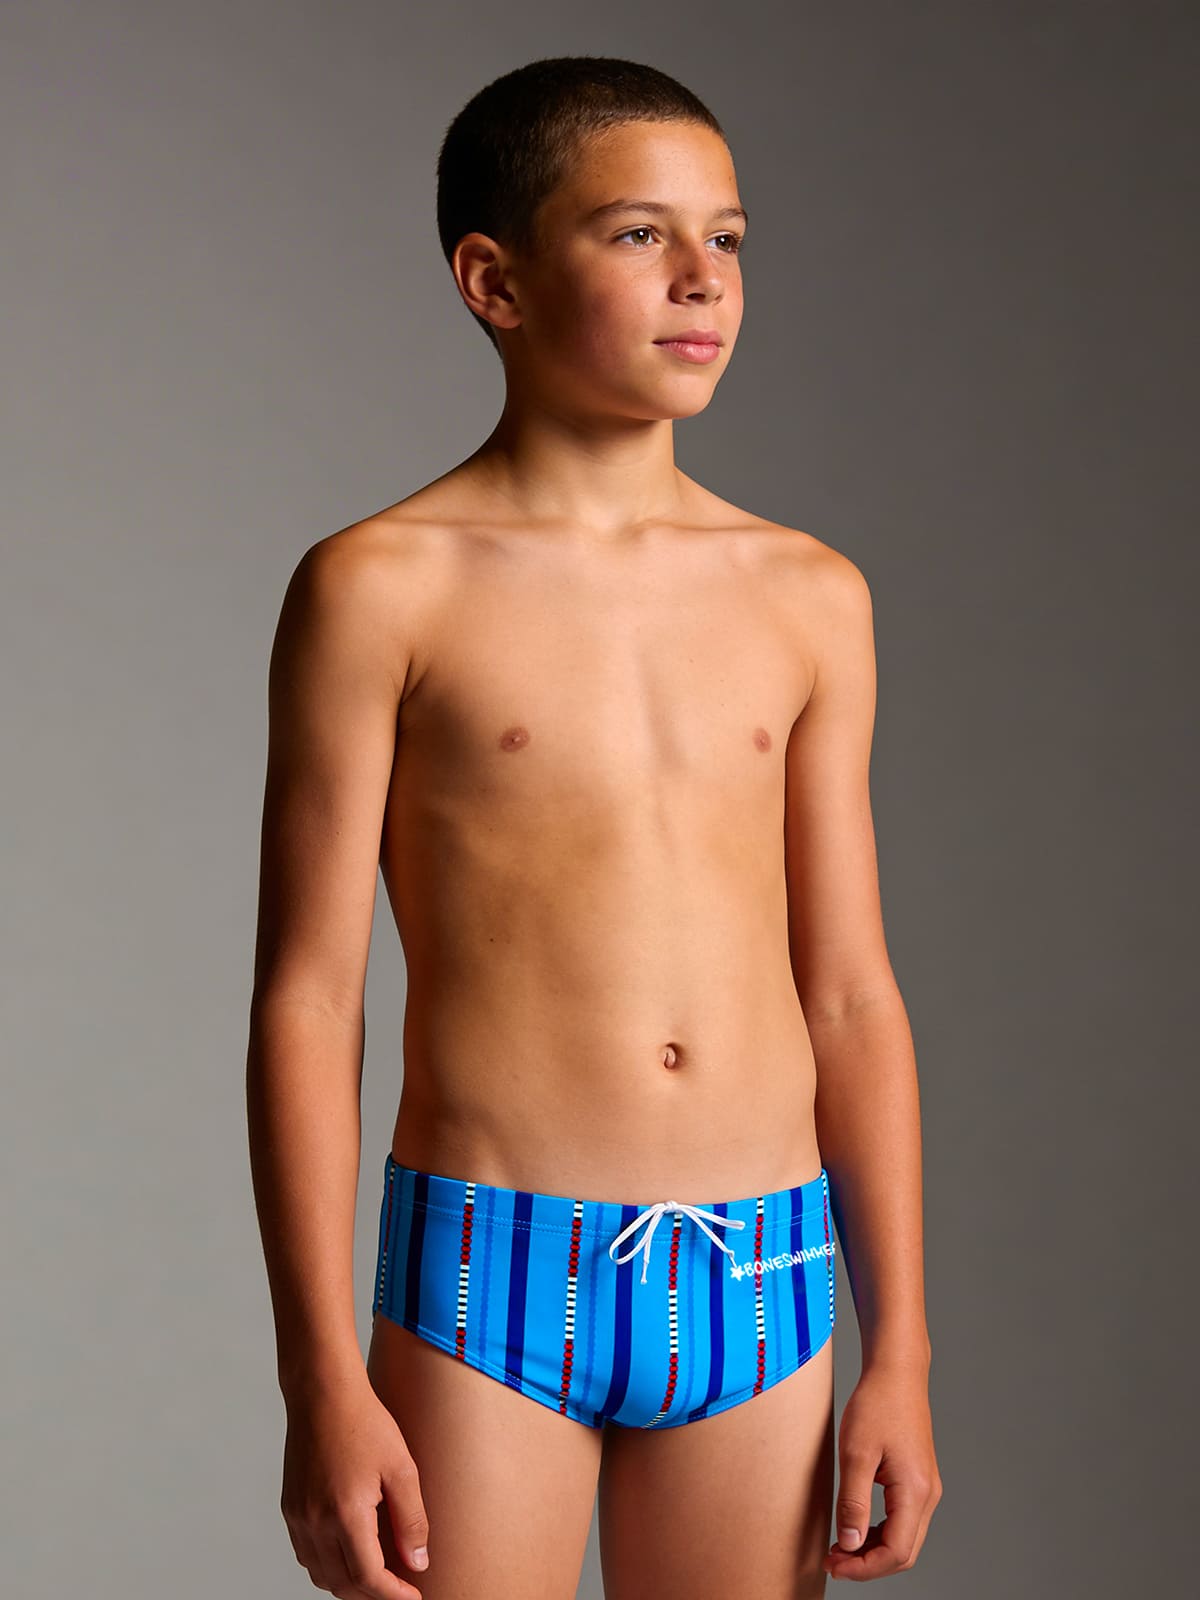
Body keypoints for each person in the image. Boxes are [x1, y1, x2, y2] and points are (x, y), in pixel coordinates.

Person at [245, 54, 941, 1600]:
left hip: (765, 1271)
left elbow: (849, 992)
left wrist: (900, 1345)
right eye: (639, 234)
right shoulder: (382, 587)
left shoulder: (809, 595)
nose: (704, 277)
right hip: (494, 1271)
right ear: (493, 281)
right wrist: (318, 1377)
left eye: (728, 237)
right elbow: (308, 996)